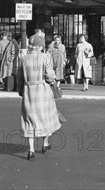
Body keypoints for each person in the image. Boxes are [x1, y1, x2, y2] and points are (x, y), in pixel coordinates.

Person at [16, 30, 62, 161]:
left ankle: (31, 150)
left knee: (29, 119)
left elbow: (19, 78)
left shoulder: (24, 59)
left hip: (29, 91)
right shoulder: (45, 57)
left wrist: (21, 91)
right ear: (41, 46)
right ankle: (45, 144)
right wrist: (52, 82)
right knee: (45, 117)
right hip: (43, 90)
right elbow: (50, 76)